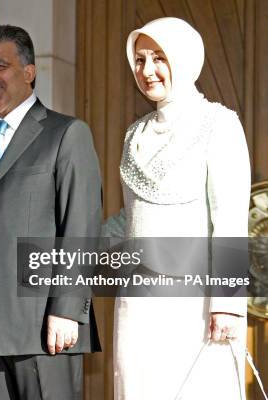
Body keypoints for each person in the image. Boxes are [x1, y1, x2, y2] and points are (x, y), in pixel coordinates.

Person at [0, 25, 102, 400]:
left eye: (0, 66)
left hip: (43, 327)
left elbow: (80, 227)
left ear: (29, 73)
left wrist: (67, 309)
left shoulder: (67, 134)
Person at [109, 17, 250, 399]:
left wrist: (228, 305)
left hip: (197, 308)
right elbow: (129, 221)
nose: (147, 70)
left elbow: (231, 220)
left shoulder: (219, 124)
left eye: (159, 57)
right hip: (136, 305)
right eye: (139, 59)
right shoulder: (132, 134)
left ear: (184, 58)